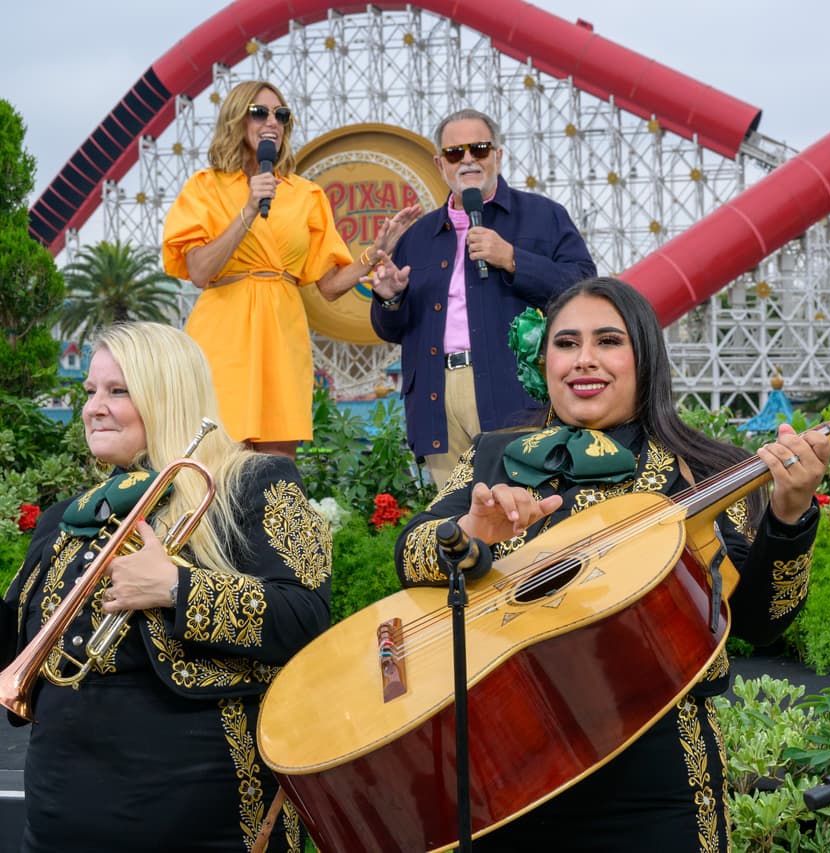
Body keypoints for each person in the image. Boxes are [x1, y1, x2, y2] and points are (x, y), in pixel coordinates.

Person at [393, 276, 830, 850]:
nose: (585, 360)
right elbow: (411, 556)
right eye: (567, 343)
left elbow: (758, 618)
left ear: (644, 358)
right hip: (500, 770)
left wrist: (791, 514)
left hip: (650, 775)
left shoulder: (697, 470)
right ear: (543, 359)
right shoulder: (494, 454)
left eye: (608, 341)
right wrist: (472, 532)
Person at [1, 322, 333, 852]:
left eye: (117, 390)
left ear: (166, 391)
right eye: (89, 392)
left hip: (203, 820)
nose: (93, 407)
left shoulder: (252, 483)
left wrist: (177, 587)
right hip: (59, 818)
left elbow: (307, 619)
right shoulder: (66, 517)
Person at [162, 79, 422, 459]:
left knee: (278, 464)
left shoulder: (306, 194)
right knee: (219, 454)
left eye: (281, 115)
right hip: (223, 331)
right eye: (260, 112)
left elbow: (330, 285)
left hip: (282, 331)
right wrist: (248, 210)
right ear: (236, 119)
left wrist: (376, 250)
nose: (273, 122)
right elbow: (200, 271)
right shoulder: (205, 187)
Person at [368, 108, 596, 486]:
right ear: (441, 165)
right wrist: (389, 298)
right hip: (436, 394)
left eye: (479, 148)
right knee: (457, 521)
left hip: (514, 389)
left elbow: (586, 289)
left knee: (524, 512)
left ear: (498, 155)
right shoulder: (418, 236)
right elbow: (391, 328)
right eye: (456, 153)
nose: (469, 159)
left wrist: (512, 259)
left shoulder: (543, 217)